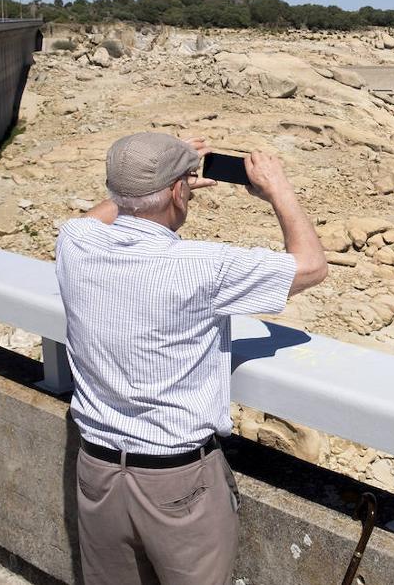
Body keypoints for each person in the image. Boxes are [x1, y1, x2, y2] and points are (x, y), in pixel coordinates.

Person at [54, 132, 327, 585]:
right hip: (175, 483)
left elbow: (96, 218)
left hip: (97, 472)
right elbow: (311, 265)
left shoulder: (76, 242)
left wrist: (144, 189)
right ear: (181, 191)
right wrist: (278, 188)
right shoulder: (202, 265)